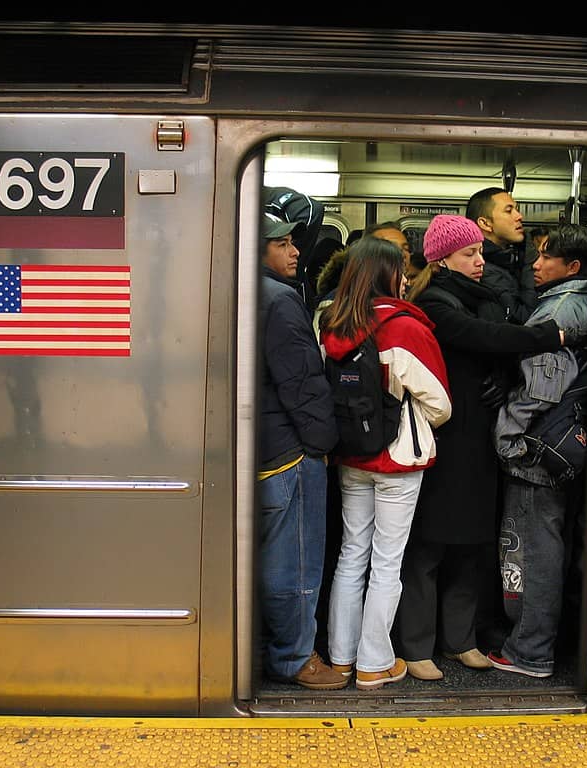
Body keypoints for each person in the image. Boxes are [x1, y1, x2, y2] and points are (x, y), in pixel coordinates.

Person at [393, 214, 571, 682]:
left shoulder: (486, 298)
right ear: (442, 258)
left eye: (478, 252)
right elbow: (481, 339)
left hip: (478, 438)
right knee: (430, 546)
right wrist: (544, 337)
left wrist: (501, 375)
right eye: (468, 253)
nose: (478, 260)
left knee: (471, 544)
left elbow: (497, 351)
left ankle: (461, 640)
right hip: (445, 439)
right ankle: (416, 645)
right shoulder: (434, 300)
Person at [321, 236, 452, 690]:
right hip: (396, 459)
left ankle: (340, 657)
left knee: (350, 554)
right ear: (388, 275)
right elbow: (439, 402)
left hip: (350, 456)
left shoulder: (333, 324)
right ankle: (374, 662)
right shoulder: (405, 327)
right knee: (387, 562)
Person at [490, 224, 587, 678]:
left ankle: (530, 651)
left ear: (572, 266)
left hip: (538, 449)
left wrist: (508, 439)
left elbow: (540, 386)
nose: (535, 264)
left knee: (533, 548)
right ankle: (541, 640)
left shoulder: (562, 307)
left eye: (546, 257)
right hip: (567, 443)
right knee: (555, 542)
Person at [257, 211, 345, 690]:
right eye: (283, 243)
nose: (295, 252)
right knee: (294, 564)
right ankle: (294, 658)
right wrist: (322, 444)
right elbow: (303, 383)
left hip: (256, 448)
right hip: (288, 453)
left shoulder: (232, 289)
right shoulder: (280, 300)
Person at [466, 188, 536, 323]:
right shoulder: (483, 270)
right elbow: (524, 319)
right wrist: (530, 260)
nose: (519, 216)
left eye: (517, 209)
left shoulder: (506, 260)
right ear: (485, 223)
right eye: (509, 211)